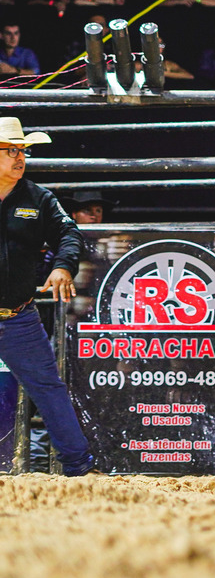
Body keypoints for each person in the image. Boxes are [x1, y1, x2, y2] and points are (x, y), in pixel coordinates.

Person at [0, 118, 95, 476]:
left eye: (22, 151)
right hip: (18, 317)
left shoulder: (38, 198)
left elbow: (68, 233)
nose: (20, 158)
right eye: (11, 150)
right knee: (48, 387)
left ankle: (78, 467)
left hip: (18, 316)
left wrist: (63, 266)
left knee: (48, 388)